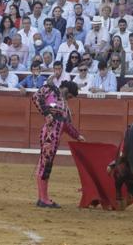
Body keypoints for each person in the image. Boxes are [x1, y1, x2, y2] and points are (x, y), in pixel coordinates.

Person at [31, 80, 85, 208]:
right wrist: (46, 113)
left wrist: (77, 136)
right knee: (45, 166)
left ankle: (42, 198)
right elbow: (35, 97)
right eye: (70, 96)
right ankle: (43, 199)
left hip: (54, 138)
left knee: (45, 166)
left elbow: (67, 126)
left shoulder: (65, 107)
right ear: (66, 89)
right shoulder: (50, 88)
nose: (70, 99)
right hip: (49, 136)